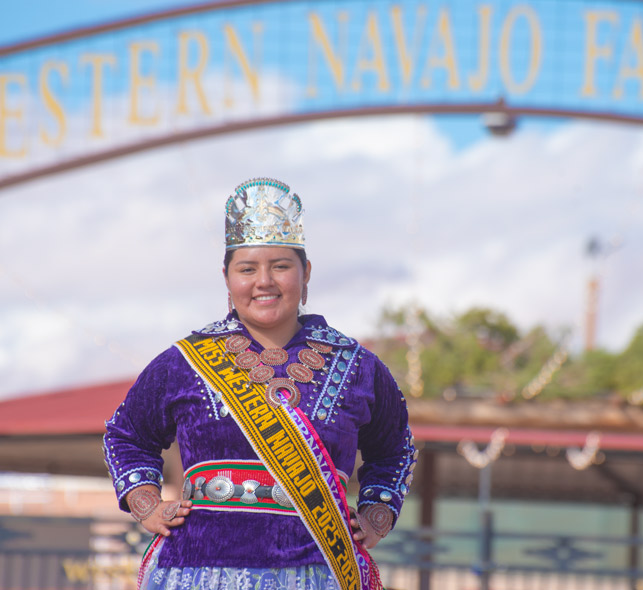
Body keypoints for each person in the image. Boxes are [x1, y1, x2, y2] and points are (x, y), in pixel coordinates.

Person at [104, 177, 417, 590]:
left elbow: (395, 448)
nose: (263, 281)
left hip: (320, 572)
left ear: (306, 273)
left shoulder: (359, 367)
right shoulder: (184, 362)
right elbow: (126, 435)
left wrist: (377, 515)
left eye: (281, 266)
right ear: (227, 278)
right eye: (247, 268)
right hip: (197, 571)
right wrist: (146, 505)